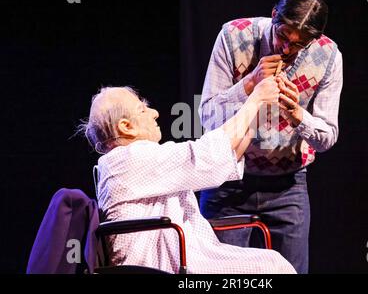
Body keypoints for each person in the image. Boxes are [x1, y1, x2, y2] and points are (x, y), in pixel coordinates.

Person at [198, 0, 343, 273]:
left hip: (287, 187)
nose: (286, 49)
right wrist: (249, 84)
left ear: (313, 41)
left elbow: (327, 137)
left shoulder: (328, 56)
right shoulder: (234, 36)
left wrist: (298, 115)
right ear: (274, 15)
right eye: (282, 36)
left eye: (298, 44)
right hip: (228, 181)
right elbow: (207, 116)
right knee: (220, 276)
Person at [79, 85, 296, 274]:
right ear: (126, 127)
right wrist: (255, 98)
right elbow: (205, 154)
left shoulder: (135, 161)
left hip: (180, 260)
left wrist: (256, 110)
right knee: (273, 267)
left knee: (272, 264)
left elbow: (222, 158)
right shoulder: (127, 159)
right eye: (142, 109)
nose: (154, 113)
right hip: (158, 267)